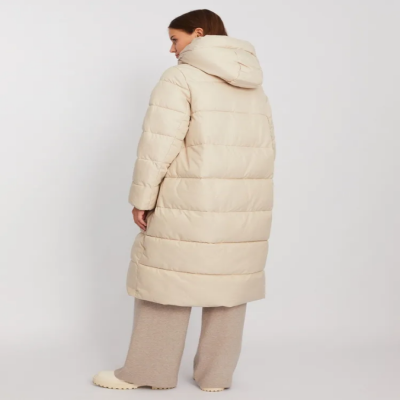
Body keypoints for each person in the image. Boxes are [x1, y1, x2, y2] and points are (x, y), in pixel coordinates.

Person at [93, 8, 276, 392]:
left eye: (175, 39)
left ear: (198, 34)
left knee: (166, 281)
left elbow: (158, 145)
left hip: (187, 200)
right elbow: (266, 147)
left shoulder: (180, 77)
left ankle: (148, 372)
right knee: (229, 285)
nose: (172, 49)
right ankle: (216, 377)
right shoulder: (253, 83)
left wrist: (142, 198)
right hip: (243, 205)